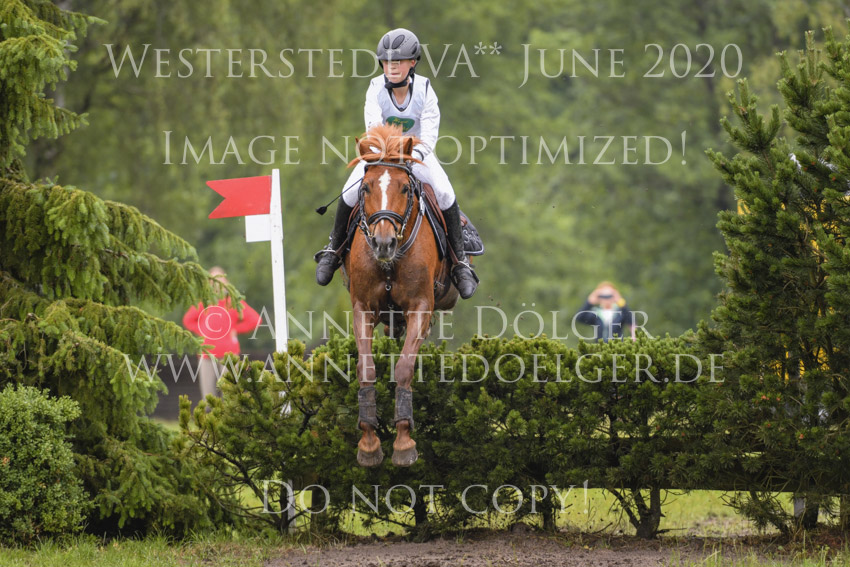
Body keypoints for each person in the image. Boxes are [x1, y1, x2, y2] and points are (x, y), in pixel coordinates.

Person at [314, 28, 479, 299]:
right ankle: (334, 249)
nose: (391, 67)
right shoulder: (375, 88)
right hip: (381, 154)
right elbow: (373, 127)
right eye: (387, 61)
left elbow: (429, 134)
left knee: (445, 192)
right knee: (349, 191)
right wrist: (386, 157)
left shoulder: (425, 89)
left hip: (417, 154)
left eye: (398, 61)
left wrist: (414, 158)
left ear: (412, 63)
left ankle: (460, 263)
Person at [182, 267, 261, 399]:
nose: (216, 284)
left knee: (230, 395)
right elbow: (188, 320)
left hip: (229, 354)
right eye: (213, 280)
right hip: (206, 354)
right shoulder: (204, 302)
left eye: (220, 279)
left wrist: (236, 329)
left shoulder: (233, 302)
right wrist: (203, 331)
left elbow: (255, 319)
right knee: (208, 397)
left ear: (226, 282)